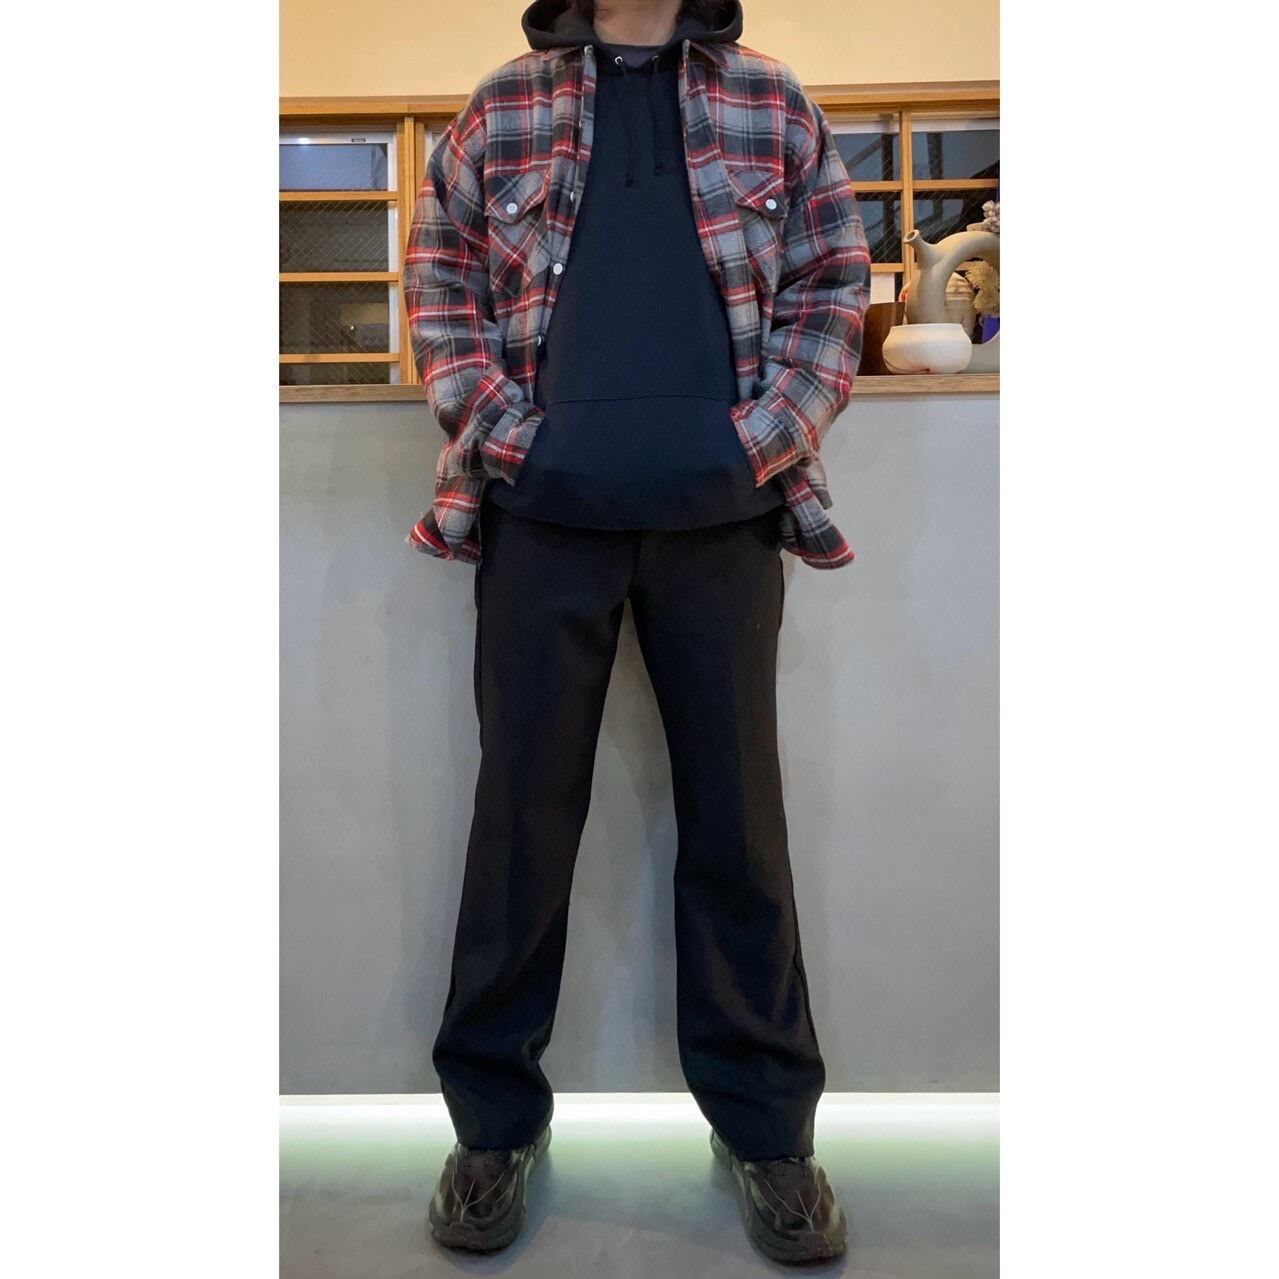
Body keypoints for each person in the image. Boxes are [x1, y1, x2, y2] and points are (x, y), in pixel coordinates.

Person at [403, 0, 869, 1263]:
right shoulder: (501, 103)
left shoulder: (771, 98)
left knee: (738, 825)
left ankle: (769, 1133)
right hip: (539, 520)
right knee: (519, 826)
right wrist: (514, 439)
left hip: (723, 522)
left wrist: (758, 439)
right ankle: (492, 1126)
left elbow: (835, 277)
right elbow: (439, 284)